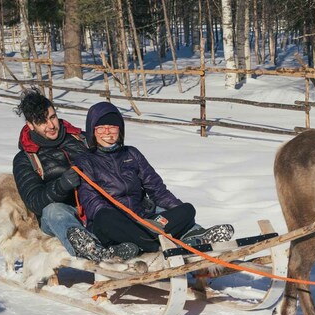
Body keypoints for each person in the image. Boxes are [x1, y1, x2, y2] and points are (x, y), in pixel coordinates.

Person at [71, 102, 233, 257]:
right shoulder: (85, 160)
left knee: (187, 209)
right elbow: (91, 201)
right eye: (101, 128)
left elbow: (157, 190)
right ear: (92, 130)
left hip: (143, 222)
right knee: (105, 216)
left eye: (112, 127)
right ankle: (159, 245)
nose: (107, 132)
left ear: (120, 130)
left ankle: (156, 240)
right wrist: (125, 221)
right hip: (113, 224)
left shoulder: (132, 154)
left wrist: (182, 216)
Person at [12, 87, 135, 262]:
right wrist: (62, 185)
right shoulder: (25, 159)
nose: (51, 125)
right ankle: (92, 248)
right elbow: (34, 201)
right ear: (30, 125)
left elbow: (115, 163)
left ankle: (173, 234)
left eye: (52, 117)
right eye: (42, 122)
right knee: (53, 211)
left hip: (95, 202)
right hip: (63, 212)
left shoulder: (82, 139)